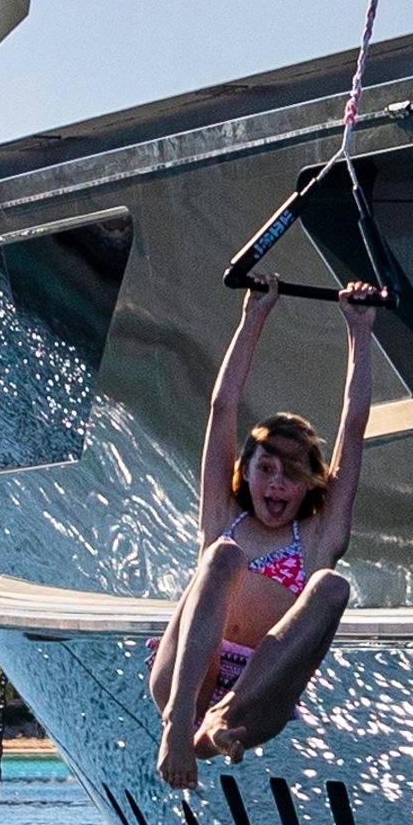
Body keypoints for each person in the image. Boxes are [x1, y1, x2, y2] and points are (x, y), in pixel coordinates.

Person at [153, 272, 385, 788]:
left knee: (330, 586)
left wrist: (360, 332)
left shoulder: (320, 538)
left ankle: (218, 730)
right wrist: (253, 315)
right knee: (222, 557)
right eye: (265, 469)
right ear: (245, 473)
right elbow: (222, 409)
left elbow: (354, 424)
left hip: (258, 698)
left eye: (292, 473)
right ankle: (179, 727)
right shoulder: (223, 517)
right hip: (186, 677)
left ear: (310, 484)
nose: (277, 484)